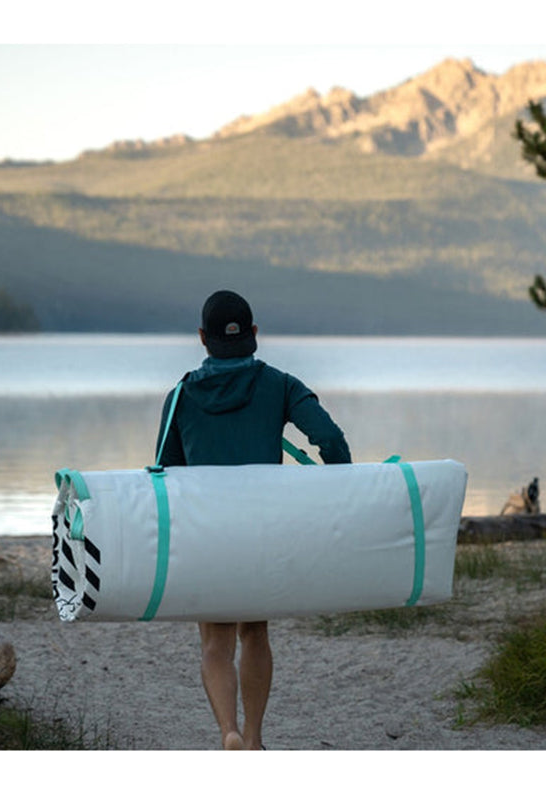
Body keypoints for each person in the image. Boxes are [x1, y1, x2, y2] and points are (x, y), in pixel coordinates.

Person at [155, 289, 351, 750]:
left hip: (208, 534)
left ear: (202, 338)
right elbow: (330, 439)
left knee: (214, 643)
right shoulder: (280, 384)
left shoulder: (181, 394)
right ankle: (257, 740)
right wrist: (342, 489)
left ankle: (229, 733)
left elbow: (166, 474)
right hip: (262, 533)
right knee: (254, 631)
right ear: (255, 334)